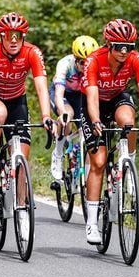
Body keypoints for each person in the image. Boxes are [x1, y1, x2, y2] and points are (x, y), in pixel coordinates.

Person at [82, 19, 139, 244]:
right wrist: (96, 120)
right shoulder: (94, 60)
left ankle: (128, 163)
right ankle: (91, 223)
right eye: (118, 46)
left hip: (118, 97)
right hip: (94, 102)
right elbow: (91, 96)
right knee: (98, 162)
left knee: (128, 121)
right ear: (108, 44)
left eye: (128, 46)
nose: (123, 51)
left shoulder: (136, 60)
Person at [0, 12, 54, 240]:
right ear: (1, 36)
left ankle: (22, 208)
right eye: (8, 35)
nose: (13, 40)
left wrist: (47, 115)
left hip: (17, 101)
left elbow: (41, 87)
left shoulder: (32, 52)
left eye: (18, 36)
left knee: (22, 156)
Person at [49, 35, 99, 180]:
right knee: (67, 116)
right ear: (75, 59)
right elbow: (58, 94)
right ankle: (58, 154)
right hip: (63, 95)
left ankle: (88, 175)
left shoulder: (95, 67)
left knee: (89, 128)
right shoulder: (65, 64)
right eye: (82, 63)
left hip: (81, 96)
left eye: (89, 63)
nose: (86, 67)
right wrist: (63, 113)